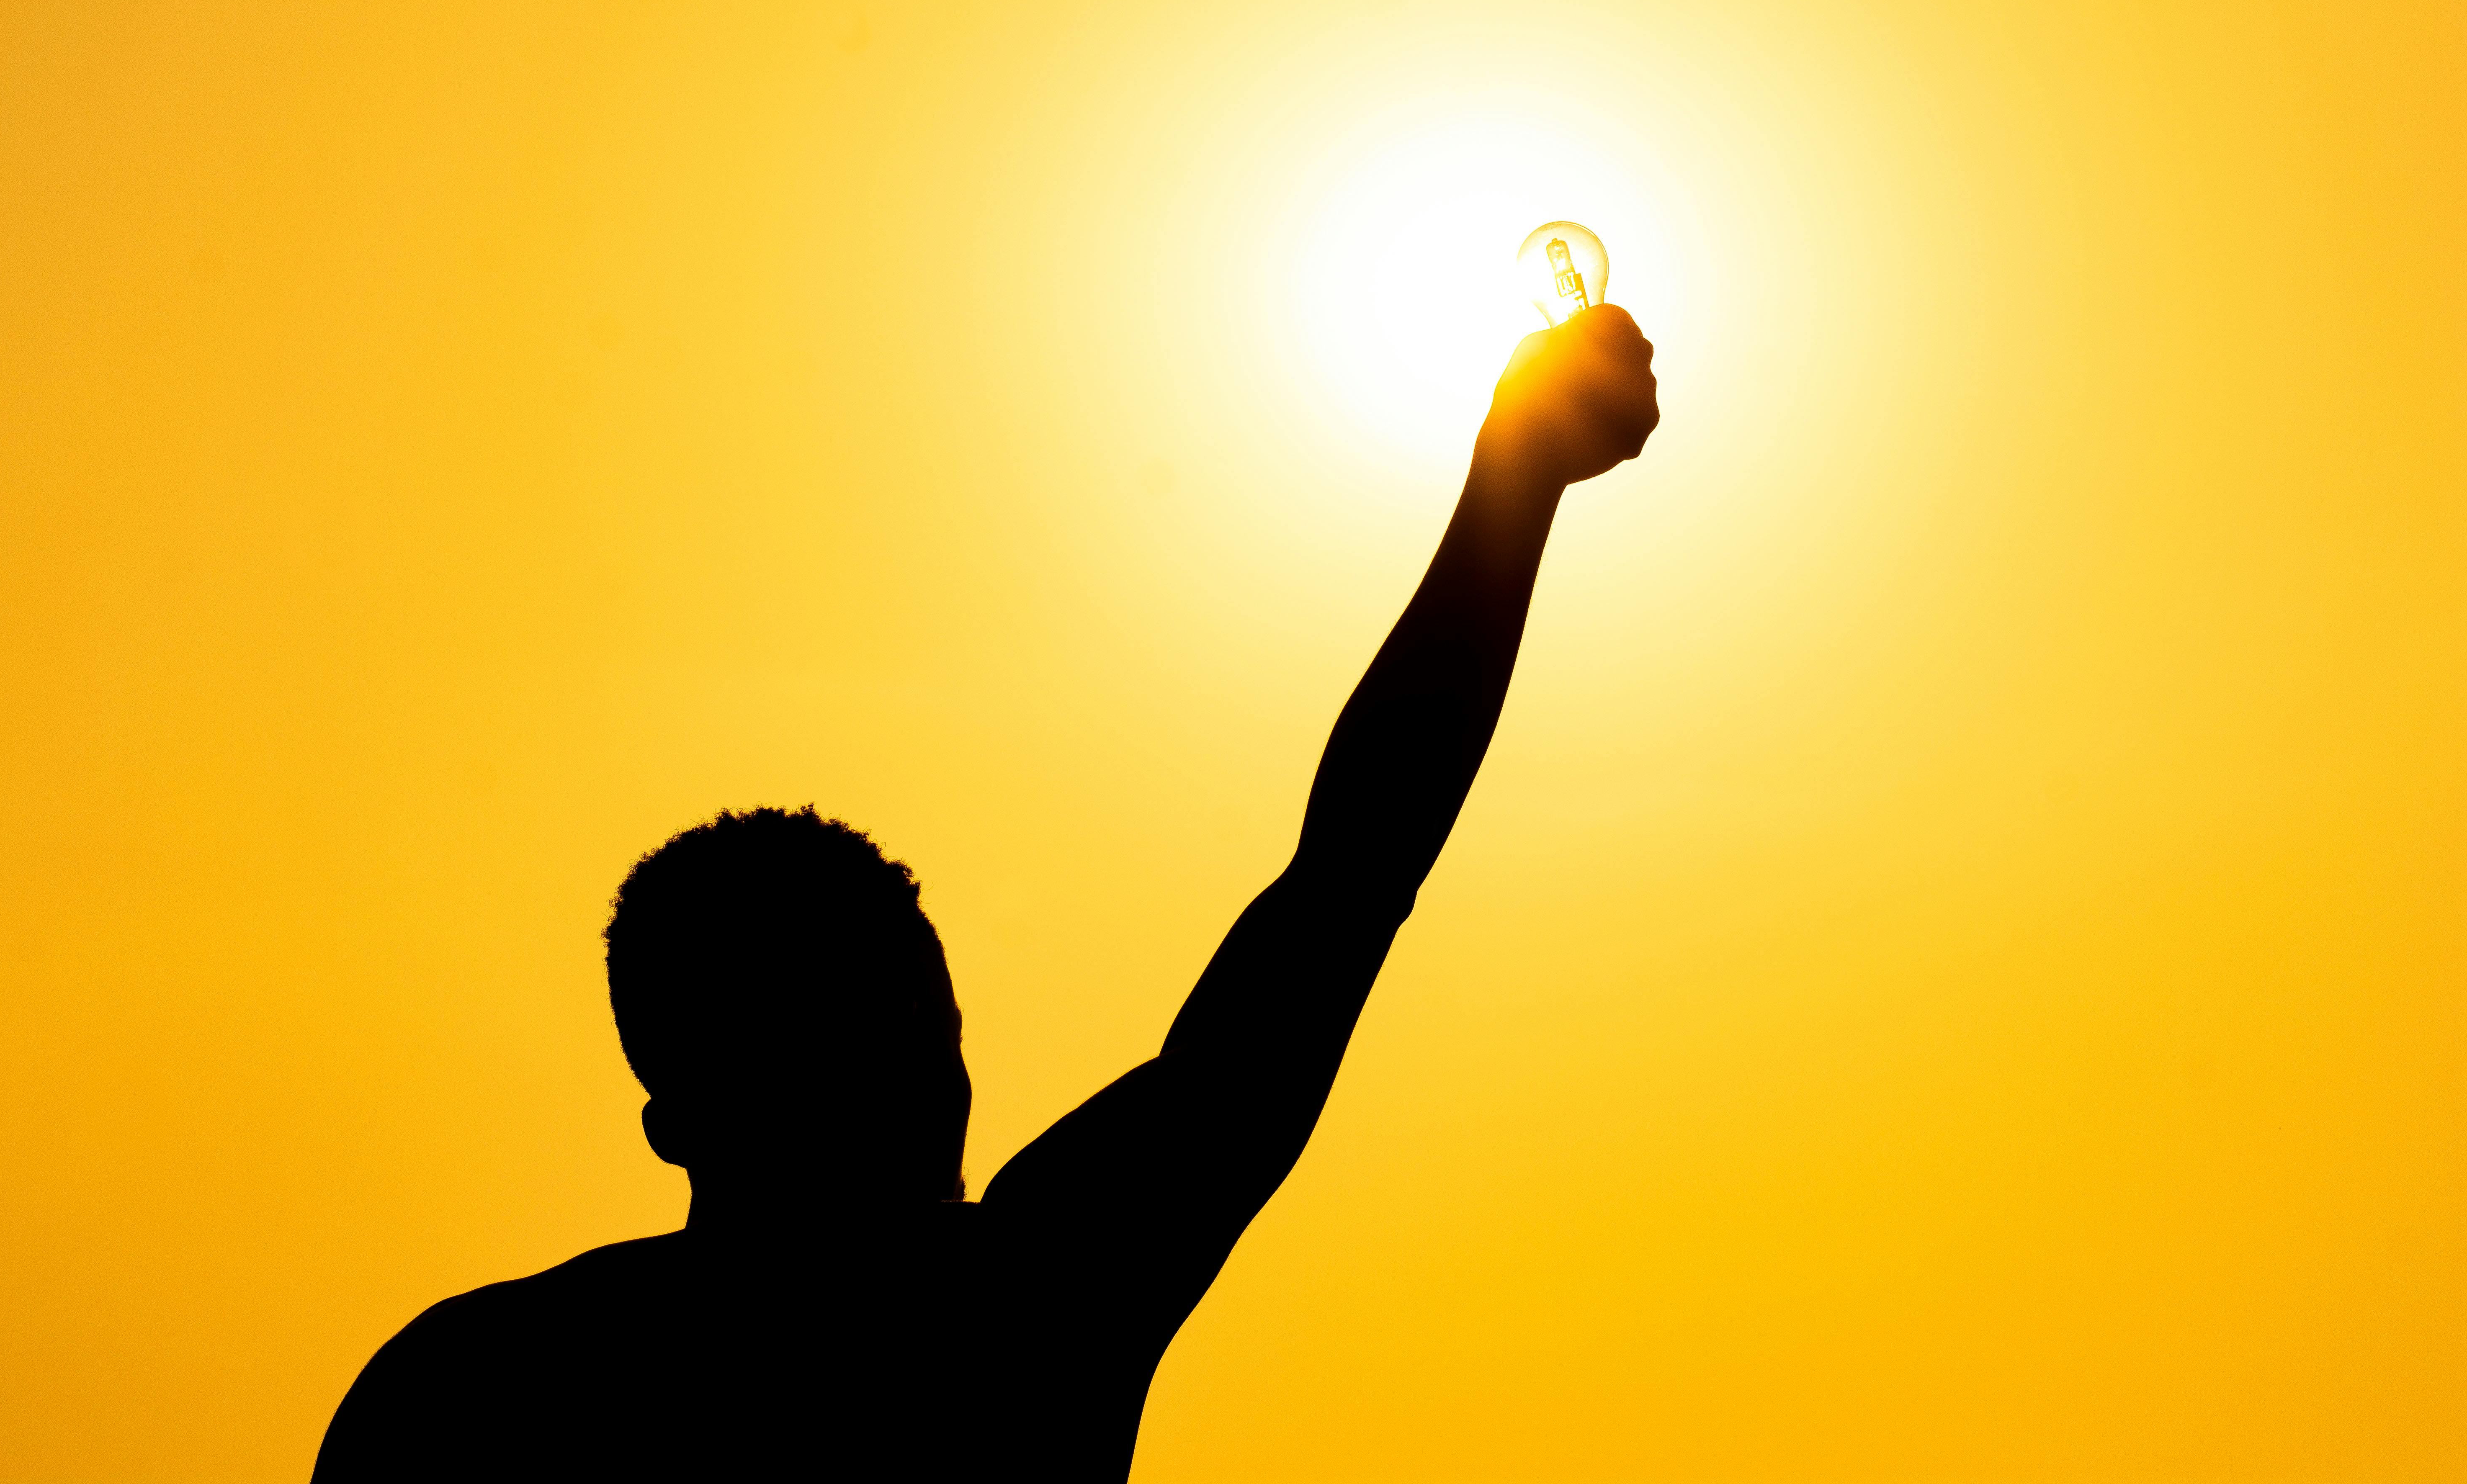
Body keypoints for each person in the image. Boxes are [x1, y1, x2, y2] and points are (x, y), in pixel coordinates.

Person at [312, 304, 1660, 1480]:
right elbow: (1349, 883)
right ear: (685, 1118)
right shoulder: (1025, 1317)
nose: (934, 1089)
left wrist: (1519, 476)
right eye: (874, 1050)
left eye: (927, 1040)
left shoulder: (469, 1387)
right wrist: (1515, 480)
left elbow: (1347, 884)